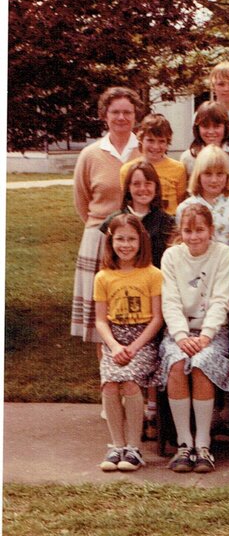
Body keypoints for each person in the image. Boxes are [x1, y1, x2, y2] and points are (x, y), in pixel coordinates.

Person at [159, 203, 229, 473]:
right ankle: (184, 444)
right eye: (188, 231)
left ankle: (203, 444)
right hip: (179, 331)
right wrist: (181, 337)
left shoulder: (224, 254)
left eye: (200, 230)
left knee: (202, 363)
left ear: (211, 230)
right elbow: (170, 301)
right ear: (180, 232)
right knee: (177, 364)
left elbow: (220, 299)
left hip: (213, 331)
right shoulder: (171, 257)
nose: (194, 237)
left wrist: (205, 336)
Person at [93, 214, 163, 472]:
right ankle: (117, 445)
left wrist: (134, 347)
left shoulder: (152, 274)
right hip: (115, 340)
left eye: (131, 239)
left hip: (143, 341)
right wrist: (114, 346)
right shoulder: (103, 277)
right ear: (111, 242)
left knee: (130, 382)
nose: (126, 245)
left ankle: (134, 448)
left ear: (141, 241)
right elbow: (100, 320)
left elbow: (157, 318)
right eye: (120, 239)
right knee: (110, 384)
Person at [73, 86, 142, 344]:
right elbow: (82, 200)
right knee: (101, 307)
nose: (121, 118)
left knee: (132, 300)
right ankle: (106, 371)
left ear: (136, 115)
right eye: (115, 112)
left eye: (127, 112)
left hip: (136, 238)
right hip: (99, 238)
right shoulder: (90, 154)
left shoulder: (145, 151)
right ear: (105, 115)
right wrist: (101, 227)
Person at [176, 145, 229, 252]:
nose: (214, 180)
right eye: (208, 174)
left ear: (227, 175)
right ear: (198, 175)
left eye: (220, 174)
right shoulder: (185, 207)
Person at [120, 113, 186, 216]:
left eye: (161, 141)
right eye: (150, 140)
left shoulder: (178, 168)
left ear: (167, 142)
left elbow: (181, 201)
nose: (155, 146)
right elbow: (126, 202)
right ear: (141, 139)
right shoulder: (128, 170)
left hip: (168, 226)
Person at [180, 101, 229, 189]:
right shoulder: (187, 158)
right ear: (197, 128)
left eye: (216, 126)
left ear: (226, 127)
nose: (211, 131)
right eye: (205, 126)